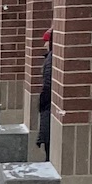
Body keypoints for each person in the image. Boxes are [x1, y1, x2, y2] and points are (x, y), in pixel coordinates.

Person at [38, 29, 53, 161]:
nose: (44, 45)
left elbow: (47, 85)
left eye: (46, 41)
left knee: (48, 141)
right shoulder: (50, 58)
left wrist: (42, 103)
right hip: (48, 108)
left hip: (48, 108)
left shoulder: (50, 60)